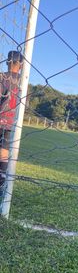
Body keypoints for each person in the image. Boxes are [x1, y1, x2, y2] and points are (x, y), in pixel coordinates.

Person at [0, 50, 23, 192]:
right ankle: (1, 183)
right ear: (20, 64)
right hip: (10, 123)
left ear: (7, 62)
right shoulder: (23, 80)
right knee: (3, 153)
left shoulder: (2, 77)